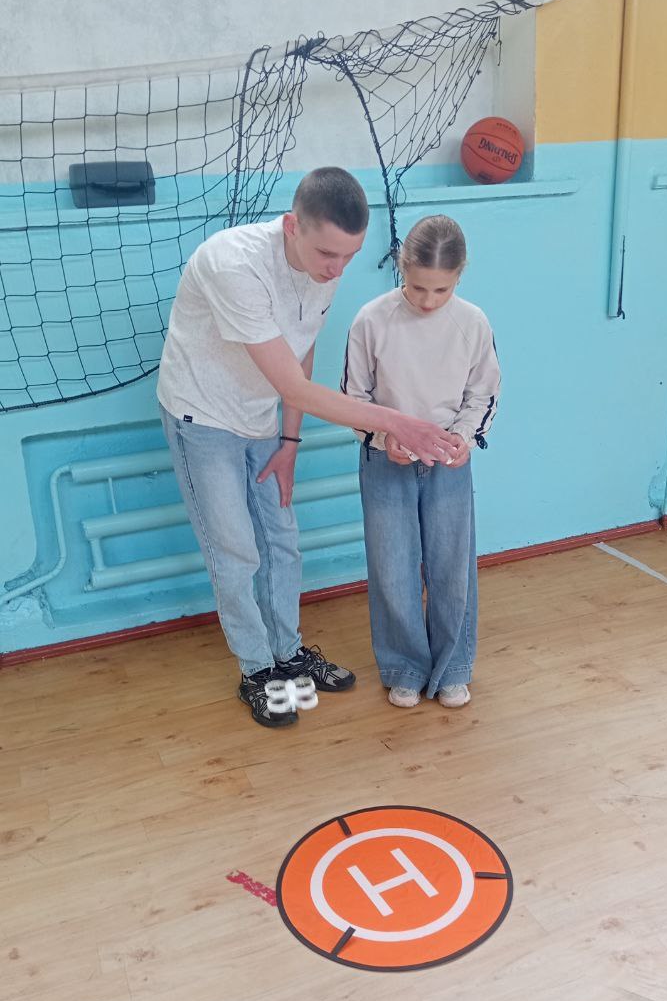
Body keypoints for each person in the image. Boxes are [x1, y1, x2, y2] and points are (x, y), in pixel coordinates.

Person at [157, 168, 456, 728]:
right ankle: (256, 670)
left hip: (260, 416)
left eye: (350, 256)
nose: (337, 270)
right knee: (236, 551)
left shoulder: (325, 266)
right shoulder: (234, 265)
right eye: (328, 254)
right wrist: (398, 422)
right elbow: (293, 386)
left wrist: (289, 440)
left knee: (281, 541)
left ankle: (288, 653)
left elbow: (302, 348)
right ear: (292, 226)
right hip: (203, 417)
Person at [341, 214, 501, 709]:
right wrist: (383, 434)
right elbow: (354, 398)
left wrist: (463, 438)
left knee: (452, 567)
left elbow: (483, 393)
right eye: (417, 288)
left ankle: (453, 667)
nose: (429, 301)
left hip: (448, 463)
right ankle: (405, 667)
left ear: (460, 275)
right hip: (385, 461)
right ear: (401, 266)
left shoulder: (472, 323)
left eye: (441, 290)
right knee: (392, 567)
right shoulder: (371, 320)